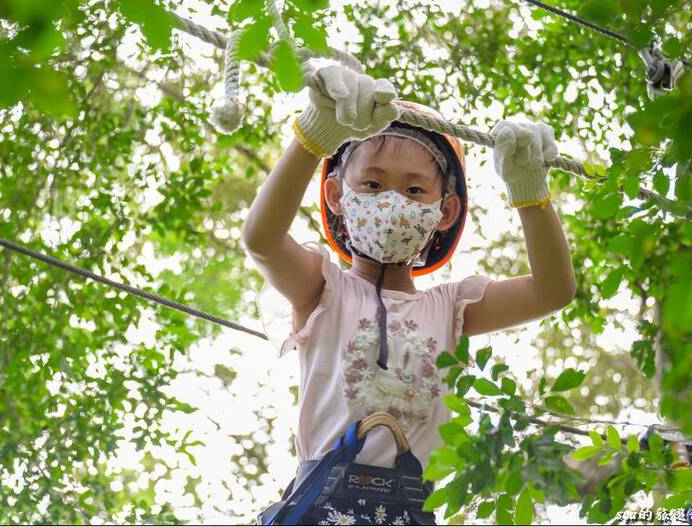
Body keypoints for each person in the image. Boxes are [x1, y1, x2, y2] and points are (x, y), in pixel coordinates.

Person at [243, 65, 576, 525]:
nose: (393, 201)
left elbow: (553, 291)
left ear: (445, 211)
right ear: (338, 195)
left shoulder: (450, 309)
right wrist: (314, 136)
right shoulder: (324, 289)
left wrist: (531, 196)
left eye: (415, 189)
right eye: (373, 184)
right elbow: (262, 238)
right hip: (320, 508)